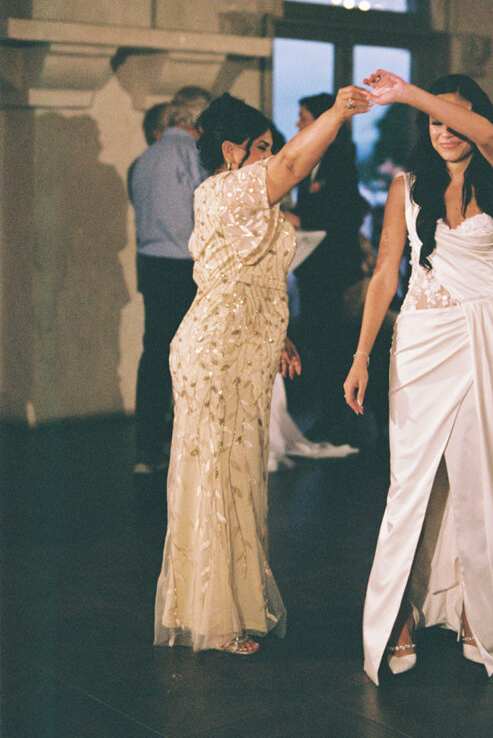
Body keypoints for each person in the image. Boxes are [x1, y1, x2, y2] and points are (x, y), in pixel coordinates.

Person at [344, 70, 493, 684]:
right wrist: (362, 354)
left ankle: (478, 606)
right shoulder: (407, 186)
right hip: (417, 342)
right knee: (411, 484)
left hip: (483, 340)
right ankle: (401, 615)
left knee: (478, 477)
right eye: (433, 122)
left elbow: (488, 132)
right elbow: (387, 271)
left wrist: (414, 94)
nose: (442, 131)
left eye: (452, 118)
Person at [154, 84, 371, 656]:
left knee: (241, 475)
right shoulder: (228, 190)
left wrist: (280, 337)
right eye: (263, 148)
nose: (273, 158)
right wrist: (335, 113)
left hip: (243, 345)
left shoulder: (245, 199)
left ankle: (230, 604)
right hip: (216, 351)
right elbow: (297, 164)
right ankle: (215, 617)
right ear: (231, 152)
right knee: (216, 478)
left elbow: (249, 276)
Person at [130, 86, 211, 473]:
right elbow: (205, 211)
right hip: (183, 266)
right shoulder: (192, 156)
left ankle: (147, 446)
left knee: (154, 354)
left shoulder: (144, 158)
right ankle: (184, 442)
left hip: (150, 262)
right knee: (187, 357)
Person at [285, 93, 368, 443]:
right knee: (318, 344)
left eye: (303, 116)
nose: (298, 123)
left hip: (333, 268)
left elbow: (347, 212)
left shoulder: (339, 159)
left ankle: (341, 418)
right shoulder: (311, 159)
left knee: (333, 344)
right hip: (313, 268)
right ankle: (327, 415)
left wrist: (300, 217)